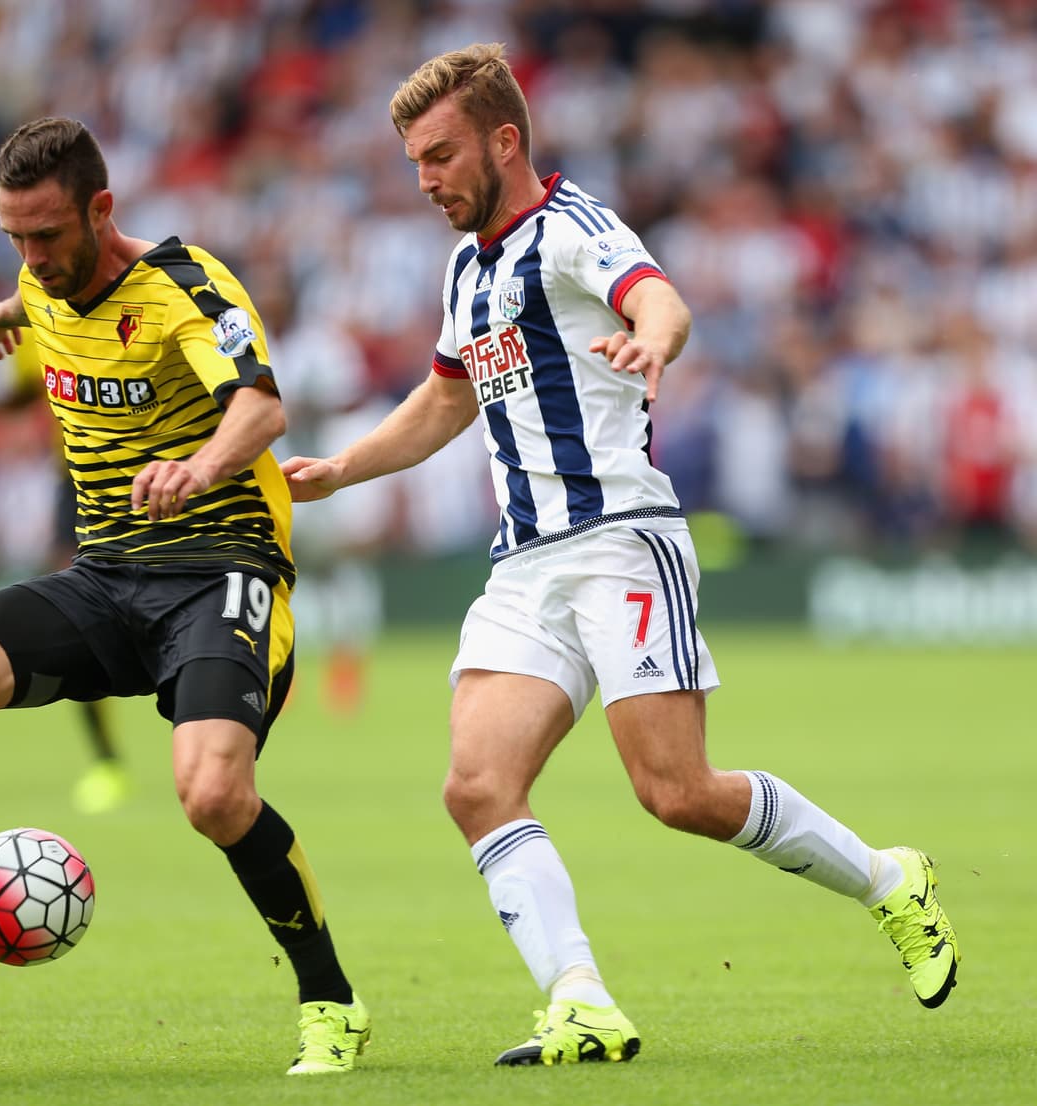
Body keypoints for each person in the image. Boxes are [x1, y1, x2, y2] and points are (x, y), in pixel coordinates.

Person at [281, 43, 959, 1068]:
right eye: (412, 159)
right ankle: (580, 998)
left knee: (675, 791)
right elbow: (446, 396)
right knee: (475, 784)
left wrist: (654, 340)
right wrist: (343, 466)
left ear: (503, 140)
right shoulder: (467, 265)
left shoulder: (571, 228)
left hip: (618, 544)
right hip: (523, 567)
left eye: (438, 154)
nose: (422, 179)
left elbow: (657, 297)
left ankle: (884, 878)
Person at [0, 116, 370, 1077]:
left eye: (48, 235)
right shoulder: (38, 276)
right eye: (12, 238)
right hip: (106, 576)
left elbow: (262, 405)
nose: (31, 256)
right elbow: (48, 301)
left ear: (102, 211)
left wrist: (199, 465)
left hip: (220, 570)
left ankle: (332, 1003)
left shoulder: (191, 286)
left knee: (214, 793)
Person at [0, 327, 133, 814]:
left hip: (143, 469)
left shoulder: (132, 308)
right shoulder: (39, 322)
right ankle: (106, 761)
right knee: (81, 611)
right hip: (75, 477)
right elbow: (29, 392)